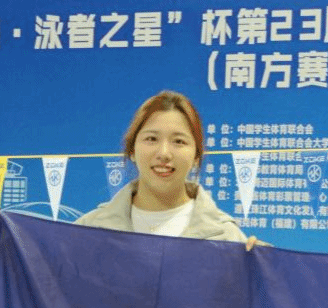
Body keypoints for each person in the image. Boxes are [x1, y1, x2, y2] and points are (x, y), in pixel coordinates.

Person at [76, 90, 257, 248]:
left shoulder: (226, 238)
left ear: (196, 156)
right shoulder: (88, 230)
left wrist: (261, 262)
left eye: (179, 141)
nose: (164, 153)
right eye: (151, 139)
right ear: (132, 150)